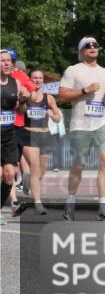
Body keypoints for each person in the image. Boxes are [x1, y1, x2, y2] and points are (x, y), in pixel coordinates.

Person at [59, 37, 105, 221]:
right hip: (80, 125)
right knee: (79, 164)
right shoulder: (73, 70)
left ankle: (103, 206)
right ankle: (70, 201)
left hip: (101, 123)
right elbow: (62, 96)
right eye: (87, 46)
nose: (92, 48)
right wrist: (84, 90)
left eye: (95, 45)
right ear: (81, 51)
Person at [14, 70, 63, 216]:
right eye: (34, 78)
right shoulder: (25, 95)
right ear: (30, 79)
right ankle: (38, 203)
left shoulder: (49, 98)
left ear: (43, 80)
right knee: (35, 167)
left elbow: (58, 117)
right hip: (28, 134)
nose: (37, 80)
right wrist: (23, 101)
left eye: (40, 78)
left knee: (42, 170)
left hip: (44, 135)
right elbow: (20, 111)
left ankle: (28, 181)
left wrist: (52, 115)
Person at [1, 50, 30, 223]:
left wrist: (24, 100)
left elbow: (20, 110)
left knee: (9, 174)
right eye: (2, 61)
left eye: (9, 61)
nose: (7, 63)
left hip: (9, 134)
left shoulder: (16, 84)